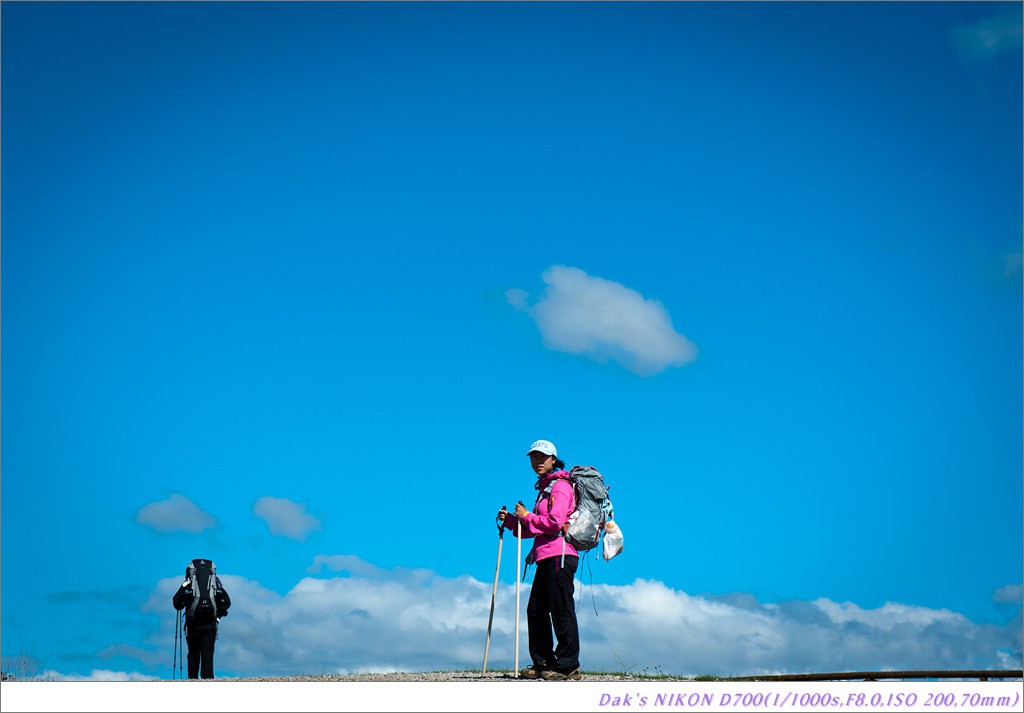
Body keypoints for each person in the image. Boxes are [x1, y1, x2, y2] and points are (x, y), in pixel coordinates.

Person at [497, 439, 582, 681]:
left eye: (542, 457)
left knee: (560, 610)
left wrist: (526, 515)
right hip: (545, 555)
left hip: (561, 554)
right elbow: (535, 529)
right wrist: (514, 521)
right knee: (536, 610)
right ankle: (543, 661)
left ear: (553, 459)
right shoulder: (544, 489)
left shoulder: (560, 487)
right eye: (533, 457)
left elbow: (554, 522)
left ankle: (567, 665)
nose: (537, 461)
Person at [172, 559, 231, 680]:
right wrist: (219, 615)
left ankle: (193, 678)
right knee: (207, 652)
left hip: (192, 624)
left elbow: (177, 603)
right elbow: (227, 602)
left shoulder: (188, 583)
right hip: (210, 623)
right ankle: (208, 678)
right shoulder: (215, 583)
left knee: (193, 652)